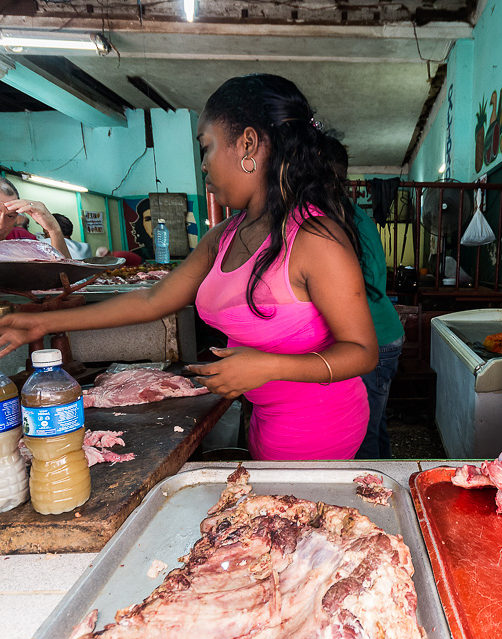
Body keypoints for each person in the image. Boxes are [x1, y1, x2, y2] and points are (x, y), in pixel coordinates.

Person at [0, 73, 377, 461]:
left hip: (317, 424)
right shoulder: (226, 234)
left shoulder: (314, 237)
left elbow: (363, 352)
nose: (203, 167)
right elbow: (153, 299)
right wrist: (45, 322)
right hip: (264, 414)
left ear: (247, 143)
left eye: (207, 147)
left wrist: (268, 366)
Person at [326, 138, 405, 459]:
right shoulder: (354, 216)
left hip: (373, 340)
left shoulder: (337, 222)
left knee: (362, 435)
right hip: (383, 335)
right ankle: (387, 482)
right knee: (374, 424)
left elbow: (353, 290)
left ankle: (373, 501)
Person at [0, 178, 72, 258]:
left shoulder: (22, 240)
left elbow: (63, 270)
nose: (1, 224)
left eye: (10, 216)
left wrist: (54, 230)